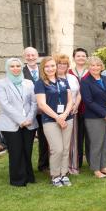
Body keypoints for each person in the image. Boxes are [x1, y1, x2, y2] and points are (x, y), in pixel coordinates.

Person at [0, 58, 38, 186]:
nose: (15, 68)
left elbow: (34, 102)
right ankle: (18, 180)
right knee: (16, 152)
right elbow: (5, 104)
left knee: (27, 150)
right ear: (7, 68)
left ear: (21, 67)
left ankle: (28, 176)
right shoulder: (1, 83)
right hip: (10, 124)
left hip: (29, 123)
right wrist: (21, 120)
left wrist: (29, 118)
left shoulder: (29, 83)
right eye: (12, 66)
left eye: (18, 66)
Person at [34, 57, 74, 186]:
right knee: (57, 149)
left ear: (56, 67)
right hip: (50, 120)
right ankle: (55, 175)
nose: (50, 69)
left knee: (66, 148)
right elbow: (41, 104)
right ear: (43, 69)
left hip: (67, 118)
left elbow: (70, 101)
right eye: (47, 67)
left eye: (52, 66)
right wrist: (57, 118)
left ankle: (64, 174)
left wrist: (65, 114)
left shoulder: (63, 81)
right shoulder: (40, 83)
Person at [80, 57, 106, 178]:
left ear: (102, 67)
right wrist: (104, 113)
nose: (95, 68)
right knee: (97, 143)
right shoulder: (85, 82)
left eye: (97, 65)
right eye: (92, 65)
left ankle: (104, 166)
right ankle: (96, 169)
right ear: (88, 67)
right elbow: (88, 101)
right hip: (94, 118)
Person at [54, 53, 82, 174]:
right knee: (57, 144)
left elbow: (79, 93)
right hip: (56, 115)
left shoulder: (72, 78)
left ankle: (73, 166)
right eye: (59, 63)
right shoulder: (51, 78)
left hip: (72, 113)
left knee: (72, 142)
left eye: (64, 64)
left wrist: (76, 105)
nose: (62, 66)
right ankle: (58, 168)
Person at [68, 48, 89, 168]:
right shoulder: (69, 72)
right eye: (78, 56)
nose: (81, 58)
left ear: (86, 58)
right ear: (74, 58)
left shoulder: (90, 71)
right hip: (73, 108)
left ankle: (91, 160)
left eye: (83, 56)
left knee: (89, 135)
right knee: (77, 136)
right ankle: (78, 160)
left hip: (88, 108)